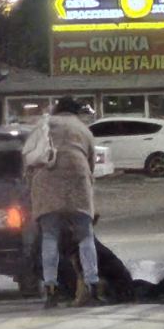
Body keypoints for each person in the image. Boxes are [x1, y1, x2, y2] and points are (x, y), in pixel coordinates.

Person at [30, 97, 101, 309]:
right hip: (77, 183)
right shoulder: (83, 129)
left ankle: (51, 288)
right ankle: (92, 285)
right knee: (85, 236)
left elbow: (30, 157)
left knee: (50, 236)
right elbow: (90, 162)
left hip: (46, 183)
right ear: (75, 112)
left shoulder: (43, 126)